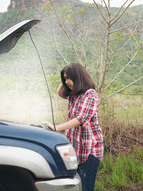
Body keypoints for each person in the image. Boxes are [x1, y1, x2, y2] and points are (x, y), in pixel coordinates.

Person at [42, 62, 104, 191]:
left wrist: (56, 127)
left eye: (69, 78)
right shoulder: (73, 95)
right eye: (65, 79)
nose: (67, 82)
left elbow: (81, 119)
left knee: (86, 187)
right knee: (77, 186)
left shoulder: (90, 95)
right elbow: (59, 92)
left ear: (78, 77)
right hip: (76, 150)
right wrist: (65, 80)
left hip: (89, 151)